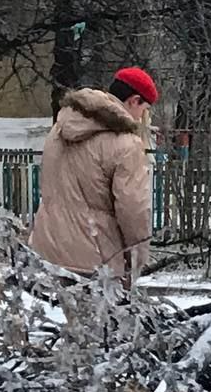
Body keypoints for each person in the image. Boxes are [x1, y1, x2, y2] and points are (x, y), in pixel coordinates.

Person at [29, 67, 156, 288]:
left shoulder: (58, 131)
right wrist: (137, 260)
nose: (142, 118)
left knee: (74, 321)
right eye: (144, 109)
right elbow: (133, 210)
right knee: (103, 322)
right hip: (98, 256)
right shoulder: (126, 144)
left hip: (50, 250)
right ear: (134, 100)